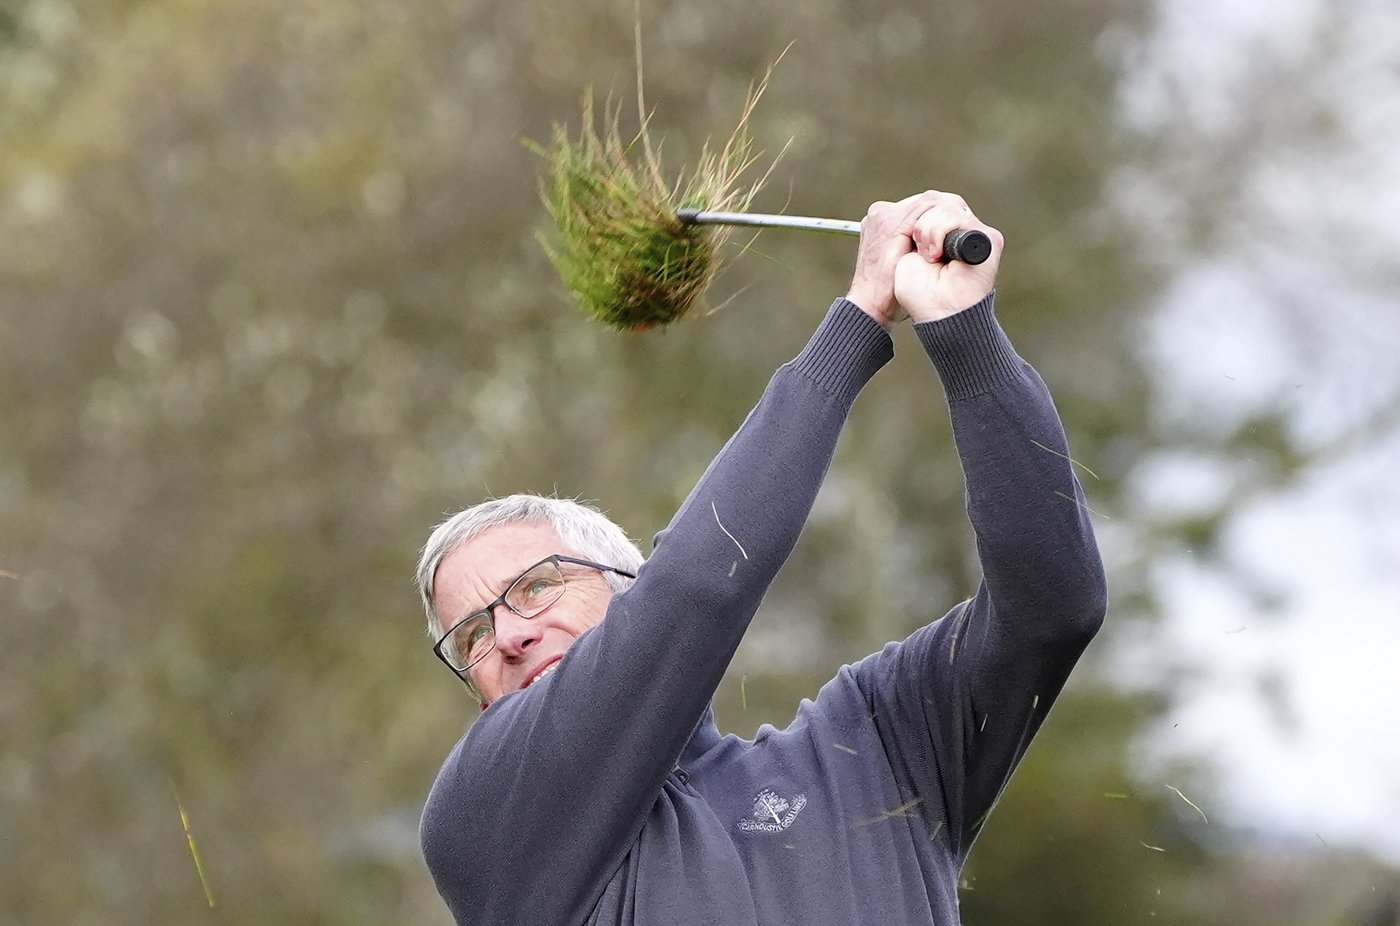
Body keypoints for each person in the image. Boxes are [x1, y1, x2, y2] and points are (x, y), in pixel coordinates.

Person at [415, 190, 1107, 925]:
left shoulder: (876, 740)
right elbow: (698, 587)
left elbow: (1052, 608)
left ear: (628, 589)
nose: (509, 637)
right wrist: (857, 318)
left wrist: (967, 336)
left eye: (535, 588)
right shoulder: (486, 819)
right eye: (472, 636)